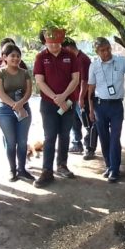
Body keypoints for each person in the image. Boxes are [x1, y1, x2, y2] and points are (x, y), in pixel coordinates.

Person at [87, 37, 125, 183]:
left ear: (110, 47)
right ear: (97, 52)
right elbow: (90, 89)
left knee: (115, 138)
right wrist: (91, 110)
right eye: (102, 50)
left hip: (116, 106)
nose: (106, 53)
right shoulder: (94, 66)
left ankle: (115, 170)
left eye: (107, 49)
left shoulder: (121, 61)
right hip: (100, 106)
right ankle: (109, 166)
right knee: (104, 138)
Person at [32, 32, 80, 187]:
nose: (53, 45)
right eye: (50, 42)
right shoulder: (41, 57)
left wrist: (64, 97)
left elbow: (76, 79)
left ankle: (62, 165)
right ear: (45, 42)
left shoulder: (70, 55)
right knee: (50, 136)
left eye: (56, 42)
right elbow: (40, 81)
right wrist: (55, 98)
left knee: (65, 134)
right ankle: (47, 171)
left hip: (68, 102)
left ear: (61, 41)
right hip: (48, 103)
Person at [0, 44, 35, 182]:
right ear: (5, 57)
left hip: (23, 108)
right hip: (5, 111)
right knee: (11, 142)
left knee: (22, 142)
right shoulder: (0, 73)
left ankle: (22, 170)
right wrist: (14, 105)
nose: (16, 58)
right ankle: (12, 170)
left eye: (18, 56)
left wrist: (20, 104)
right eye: (12, 56)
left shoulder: (24, 72)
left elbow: (29, 92)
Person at [62, 37, 96, 159]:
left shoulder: (83, 59)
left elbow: (85, 81)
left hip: (83, 98)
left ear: (69, 48)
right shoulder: (72, 59)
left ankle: (90, 148)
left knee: (87, 123)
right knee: (73, 121)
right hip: (73, 97)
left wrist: (81, 98)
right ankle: (77, 143)